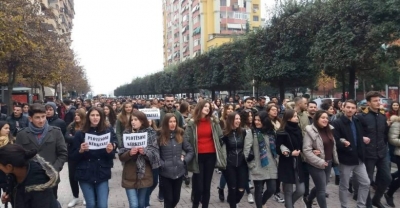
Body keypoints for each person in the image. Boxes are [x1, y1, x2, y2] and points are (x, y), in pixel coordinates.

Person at [15, 103, 67, 205]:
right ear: (30, 119)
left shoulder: (55, 132)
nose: (41, 120)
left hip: (50, 178)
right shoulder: (22, 134)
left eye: (43, 117)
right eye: (37, 117)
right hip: (30, 180)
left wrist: (54, 169)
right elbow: (18, 157)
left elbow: (63, 154)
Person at [69, 107, 117, 208]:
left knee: (102, 205)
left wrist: (110, 151)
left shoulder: (107, 131)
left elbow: (111, 156)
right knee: (91, 204)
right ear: (88, 117)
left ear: (102, 117)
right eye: (92, 115)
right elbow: (72, 157)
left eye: (97, 115)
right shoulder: (80, 133)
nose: (95, 118)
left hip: (101, 172)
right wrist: (80, 151)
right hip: (85, 173)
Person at [185, 100, 226, 208]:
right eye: (205, 106)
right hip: (198, 156)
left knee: (207, 186)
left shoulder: (214, 122)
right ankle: (195, 204)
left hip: (210, 156)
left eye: (209, 107)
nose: (208, 108)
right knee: (199, 186)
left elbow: (220, 136)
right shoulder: (192, 123)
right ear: (200, 108)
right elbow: (186, 140)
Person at [331, 100, 370, 208]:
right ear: (343, 108)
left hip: (359, 158)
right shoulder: (337, 122)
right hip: (346, 159)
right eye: (348, 107)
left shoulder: (357, 121)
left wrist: (363, 140)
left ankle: (360, 205)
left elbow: (358, 135)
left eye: (353, 108)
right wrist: (343, 143)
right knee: (344, 185)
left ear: (356, 109)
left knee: (366, 182)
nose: (350, 110)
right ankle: (344, 206)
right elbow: (335, 140)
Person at [119, 111, 160, 208]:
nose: (133, 122)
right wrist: (129, 153)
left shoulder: (150, 133)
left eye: (136, 120)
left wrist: (145, 152)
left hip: (145, 175)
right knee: (134, 205)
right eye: (132, 120)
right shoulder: (126, 133)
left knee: (141, 204)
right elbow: (121, 155)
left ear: (142, 121)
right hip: (129, 174)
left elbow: (155, 154)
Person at [358, 91, 392, 208]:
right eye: (375, 101)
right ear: (368, 103)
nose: (378, 103)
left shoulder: (382, 116)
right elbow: (357, 134)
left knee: (387, 178)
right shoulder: (362, 117)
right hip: (368, 153)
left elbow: (385, 134)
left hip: (382, 152)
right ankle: (368, 204)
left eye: (379, 100)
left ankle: (376, 199)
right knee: (367, 181)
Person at [303, 110, 339, 208]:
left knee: (322, 186)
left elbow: (333, 146)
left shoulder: (330, 129)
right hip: (315, 164)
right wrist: (319, 161)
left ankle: (308, 199)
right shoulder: (310, 131)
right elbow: (306, 150)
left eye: (326, 118)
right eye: (322, 118)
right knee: (321, 190)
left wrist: (335, 159)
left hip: (328, 163)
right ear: (317, 119)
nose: (325, 120)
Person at [158, 113, 194, 208]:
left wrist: (184, 161)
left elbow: (190, 150)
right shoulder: (160, 136)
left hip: (179, 171)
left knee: (176, 198)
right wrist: (162, 164)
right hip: (165, 173)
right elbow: (155, 153)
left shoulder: (180, 134)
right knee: (168, 199)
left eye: (174, 121)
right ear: (166, 123)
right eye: (170, 122)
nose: (173, 124)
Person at [276, 109, 305, 208]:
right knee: (288, 190)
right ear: (288, 118)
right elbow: (278, 147)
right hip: (286, 163)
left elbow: (301, 144)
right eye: (294, 116)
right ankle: (289, 206)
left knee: (301, 190)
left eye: (297, 116)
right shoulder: (281, 132)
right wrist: (289, 152)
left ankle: (288, 204)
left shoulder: (298, 129)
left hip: (297, 162)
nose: (297, 118)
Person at [221, 112, 247, 208]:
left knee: (241, 189)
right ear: (231, 120)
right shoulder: (224, 133)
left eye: (239, 119)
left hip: (242, 164)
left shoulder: (243, 132)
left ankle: (233, 201)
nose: (238, 121)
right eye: (236, 119)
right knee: (232, 188)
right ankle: (233, 205)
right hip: (229, 164)